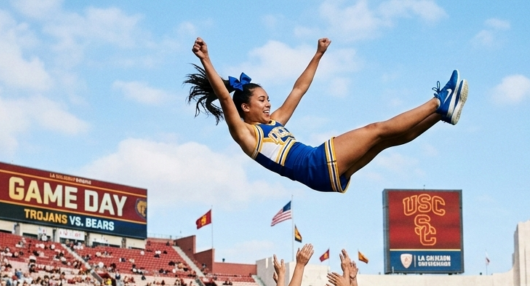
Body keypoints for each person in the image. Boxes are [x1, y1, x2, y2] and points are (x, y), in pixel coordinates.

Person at [185, 38, 467, 195]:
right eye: (262, 100)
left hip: (322, 175)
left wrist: (318, 54)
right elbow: (224, 97)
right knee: (376, 130)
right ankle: (437, 101)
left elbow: (299, 89)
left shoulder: (275, 122)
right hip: (316, 164)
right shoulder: (247, 135)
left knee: (386, 140)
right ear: (245, 108)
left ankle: (440, 115)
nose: (269, 104)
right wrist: (206, 59)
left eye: (268, 98)